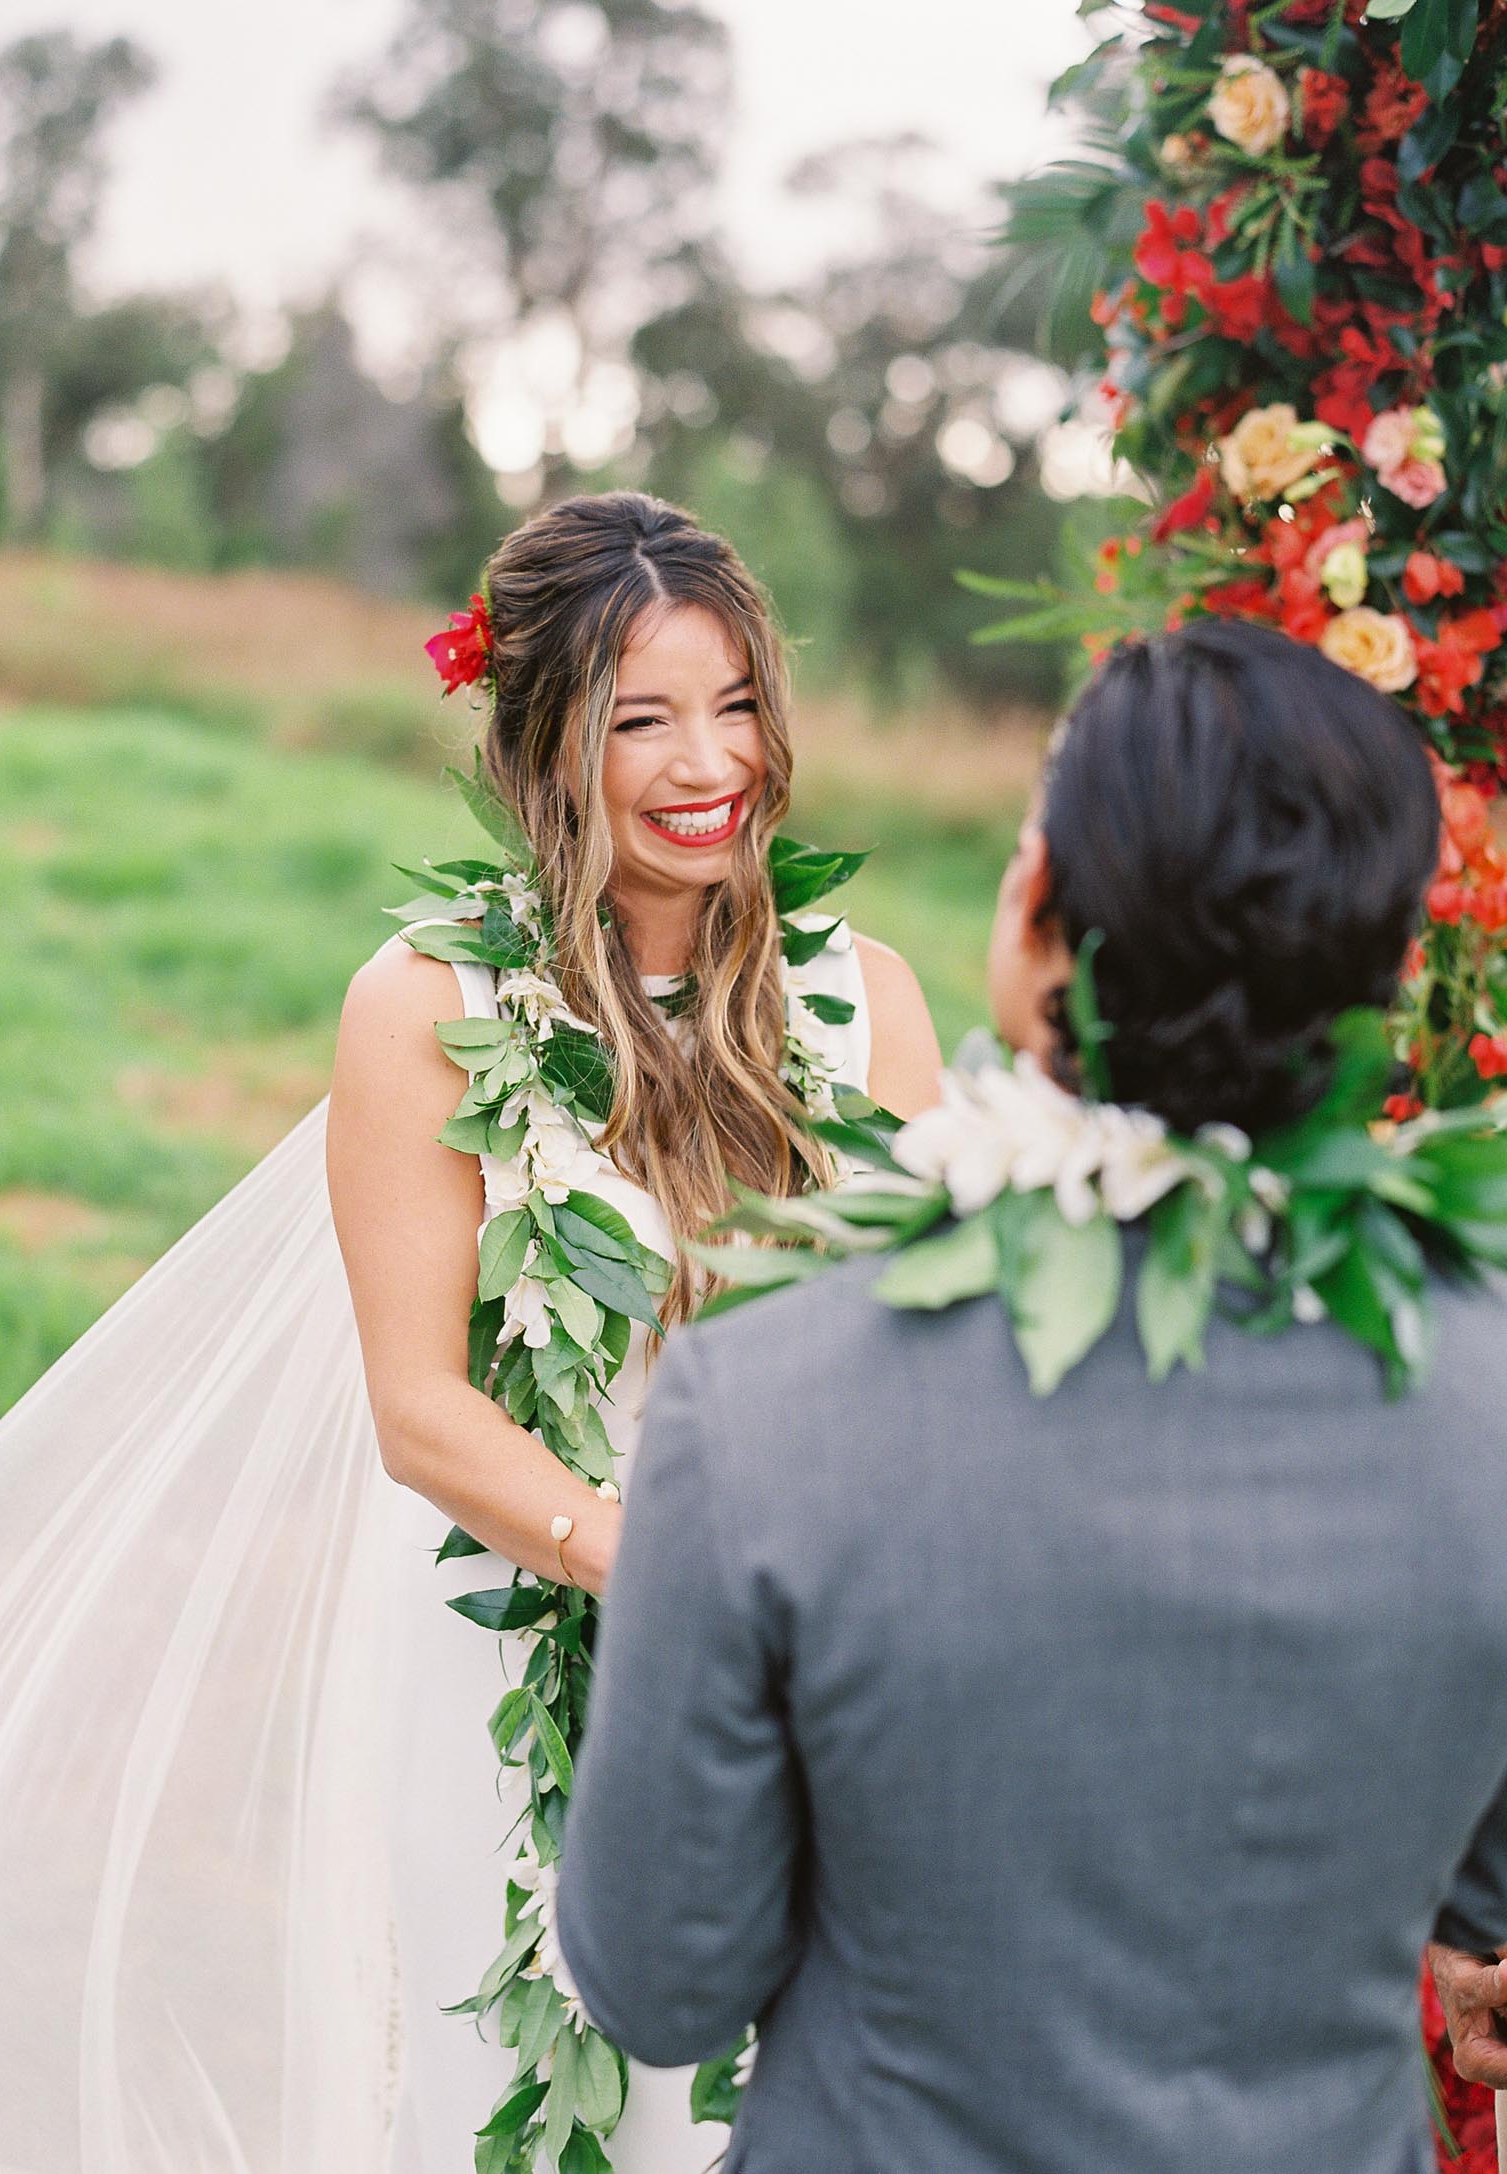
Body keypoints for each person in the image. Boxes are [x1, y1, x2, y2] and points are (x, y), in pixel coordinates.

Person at [0, 489, 940, 2174]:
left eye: (740, 703)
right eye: (646, 718)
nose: (712, 762)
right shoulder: (426, 1008)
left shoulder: (863, 995)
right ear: (547, 739)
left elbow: (929, 1365)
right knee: (539, 2099)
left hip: (818, 1654)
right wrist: (674, 1574)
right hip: (517, 1639)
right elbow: (420, 1410)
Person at [558, 619, 1507, 2173]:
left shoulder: (771, 1402)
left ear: (1042, 918)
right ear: (1378, 967)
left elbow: (659, 1974)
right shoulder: (1485, 1394)